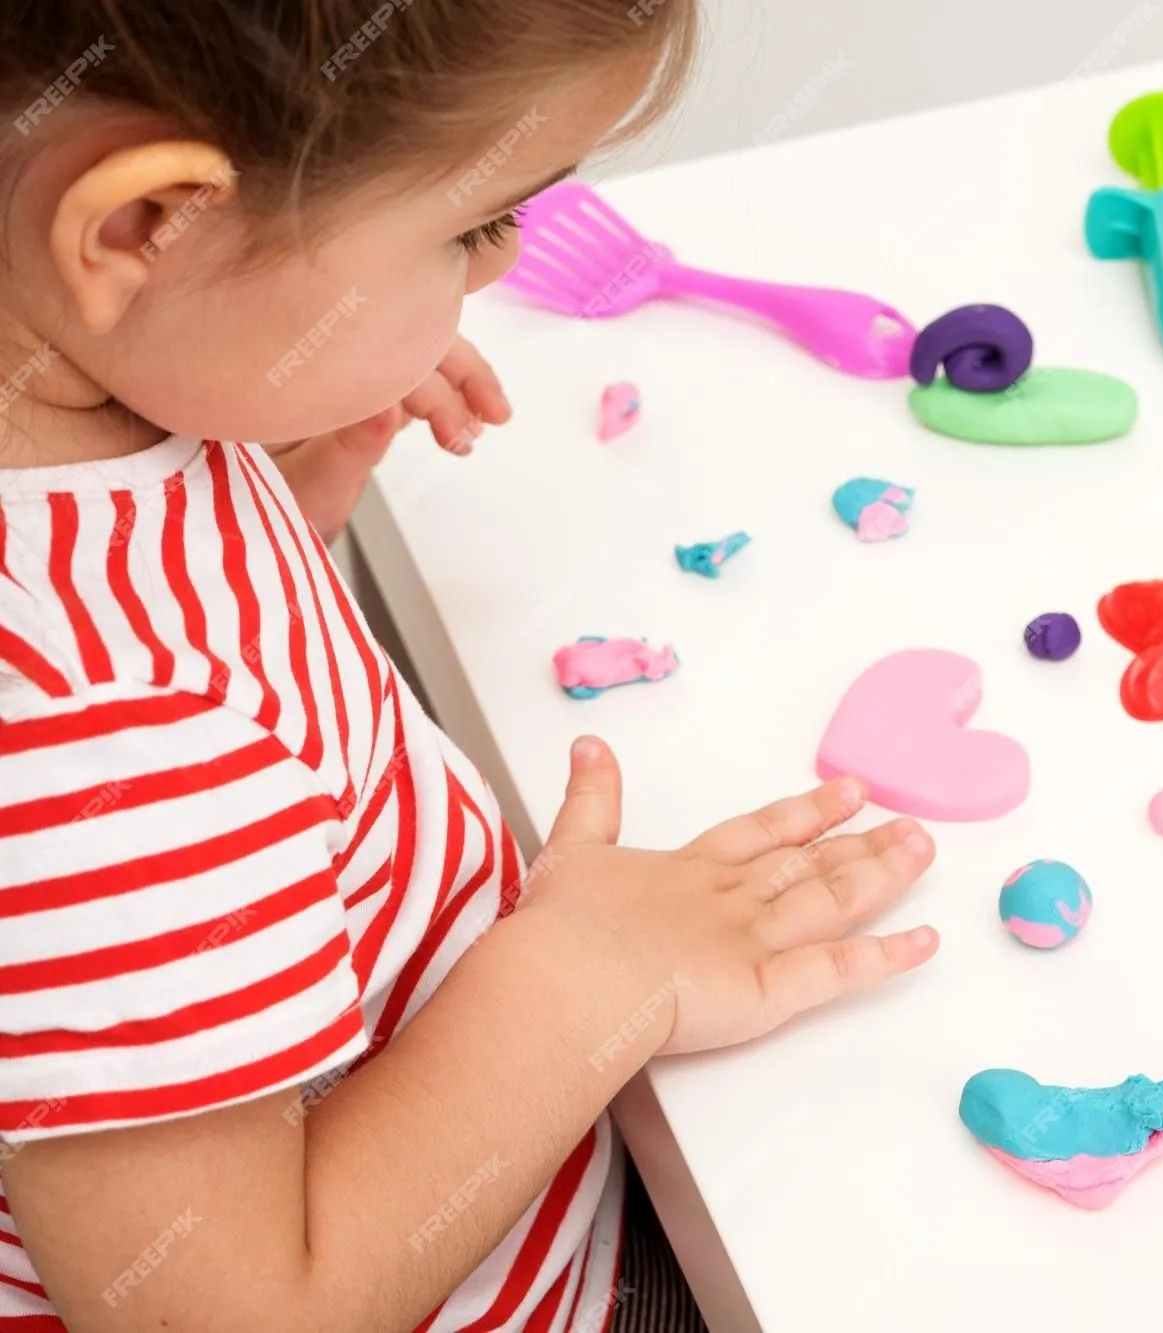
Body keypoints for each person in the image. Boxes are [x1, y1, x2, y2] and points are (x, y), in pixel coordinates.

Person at [0, 4, 942, 1330]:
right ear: (144, 227)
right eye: (468, 229)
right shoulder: (119, 740)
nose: (495, 269)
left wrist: (274, 492)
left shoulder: (87, 399)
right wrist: (593, 976)